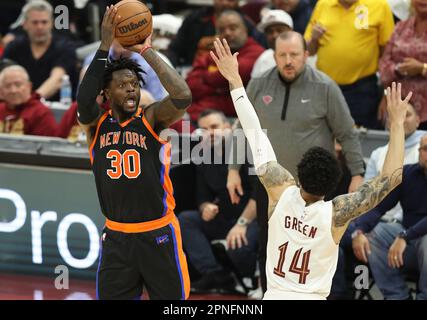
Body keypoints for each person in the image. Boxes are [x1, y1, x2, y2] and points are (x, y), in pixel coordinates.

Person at [210, 36, 411, 299]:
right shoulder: (338, 214)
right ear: (333, 185)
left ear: (297, 176)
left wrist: (235, 81)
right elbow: (391, 178)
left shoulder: (279, 191)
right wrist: (396, 125)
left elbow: (254, 132)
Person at [227, 31, 365, 294]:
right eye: (282, 55)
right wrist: (233, 169)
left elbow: (347, 132)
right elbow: (241, 127)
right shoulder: (258, 84)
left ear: (306, 55)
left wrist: (358, 172)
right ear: (274, 56)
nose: (288, 61)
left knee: (321, 250)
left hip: (313, 185)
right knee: (269, 247)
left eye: (294, 54)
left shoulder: (325, 87)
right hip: (271, 186)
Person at [77, 6, 192, 300]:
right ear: (105, 94)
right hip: (117, 237)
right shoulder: (95, 125)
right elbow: (83, 99)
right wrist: (105, 45)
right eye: (122, 85)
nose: (131, 90)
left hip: (158, 233)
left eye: (135, 85)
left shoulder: (152, 118)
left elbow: (183, 96)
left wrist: (147, 51)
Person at [178, 109, 258, 293]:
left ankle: (251, 277)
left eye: (214, 127)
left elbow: (260, 194)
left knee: (237, 248)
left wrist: (242, 223)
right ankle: (215, 274)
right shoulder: (203, 157)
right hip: (225, 217)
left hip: (254, 218)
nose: (210, 133)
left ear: (229, 127)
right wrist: (205, 207)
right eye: (204, 129)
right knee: (186, 219)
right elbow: (202, 196)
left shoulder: (248, 151)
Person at [353, 134, 427, 300]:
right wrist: (358, 231)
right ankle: (397, 295)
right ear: (419, 151)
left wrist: (405, 236)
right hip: (407, 241)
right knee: (373, 233)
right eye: (425, 149)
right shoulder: (408, 173)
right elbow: (379, 207)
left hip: (415, 240)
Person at [304, 0, 395, 129]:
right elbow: (309, 50)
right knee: (323, 135)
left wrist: (387, 93)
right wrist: (313, 39)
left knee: (361, 139)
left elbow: (388, 53)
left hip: (362, 88)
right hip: (325, 88)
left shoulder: (379, 5)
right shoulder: (323, 4)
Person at [186, 10, 265, 122]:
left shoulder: (257, 53)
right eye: (222, 30)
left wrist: (206, 78)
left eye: (233, 28)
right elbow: (191, 85)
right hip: (202, 116)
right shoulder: (214, 53)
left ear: (245, 29)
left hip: (236, 119)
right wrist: (218, 87)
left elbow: (234, 72)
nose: (227, 33)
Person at [3, 0, 78, 101]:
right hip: (18, 105)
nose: (40, 27)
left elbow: (57, 79)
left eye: (44, 22)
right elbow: (4, 77)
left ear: (51, 23)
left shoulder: (65, 47)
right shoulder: (14, 47)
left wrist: (33, 100)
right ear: (25, 24)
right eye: (35, 22)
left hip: (55, 108)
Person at [165, 0, 266, 67]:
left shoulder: (247, 23)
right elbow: (175, 50)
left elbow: (259, 51)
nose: (226, 3)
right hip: (192, 70)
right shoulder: (195, 19)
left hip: (229, 74)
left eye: (233, 28)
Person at [379, 0, 427, 130]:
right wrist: (400, 69)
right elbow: (384, 66)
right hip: (400, 108)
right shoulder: (400, 27)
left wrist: (422, 68)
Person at [0, 64, 57, 136]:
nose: (13, 91)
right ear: (1, 91)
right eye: (7, 86)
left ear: (29, 86)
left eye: (18, 85)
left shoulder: (41, 113)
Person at [251, 9, 293, 78]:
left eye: (279, 30)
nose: (274, 35)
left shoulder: (305, 56)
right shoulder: (263, 59)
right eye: (270, 32)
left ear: (291, 31)